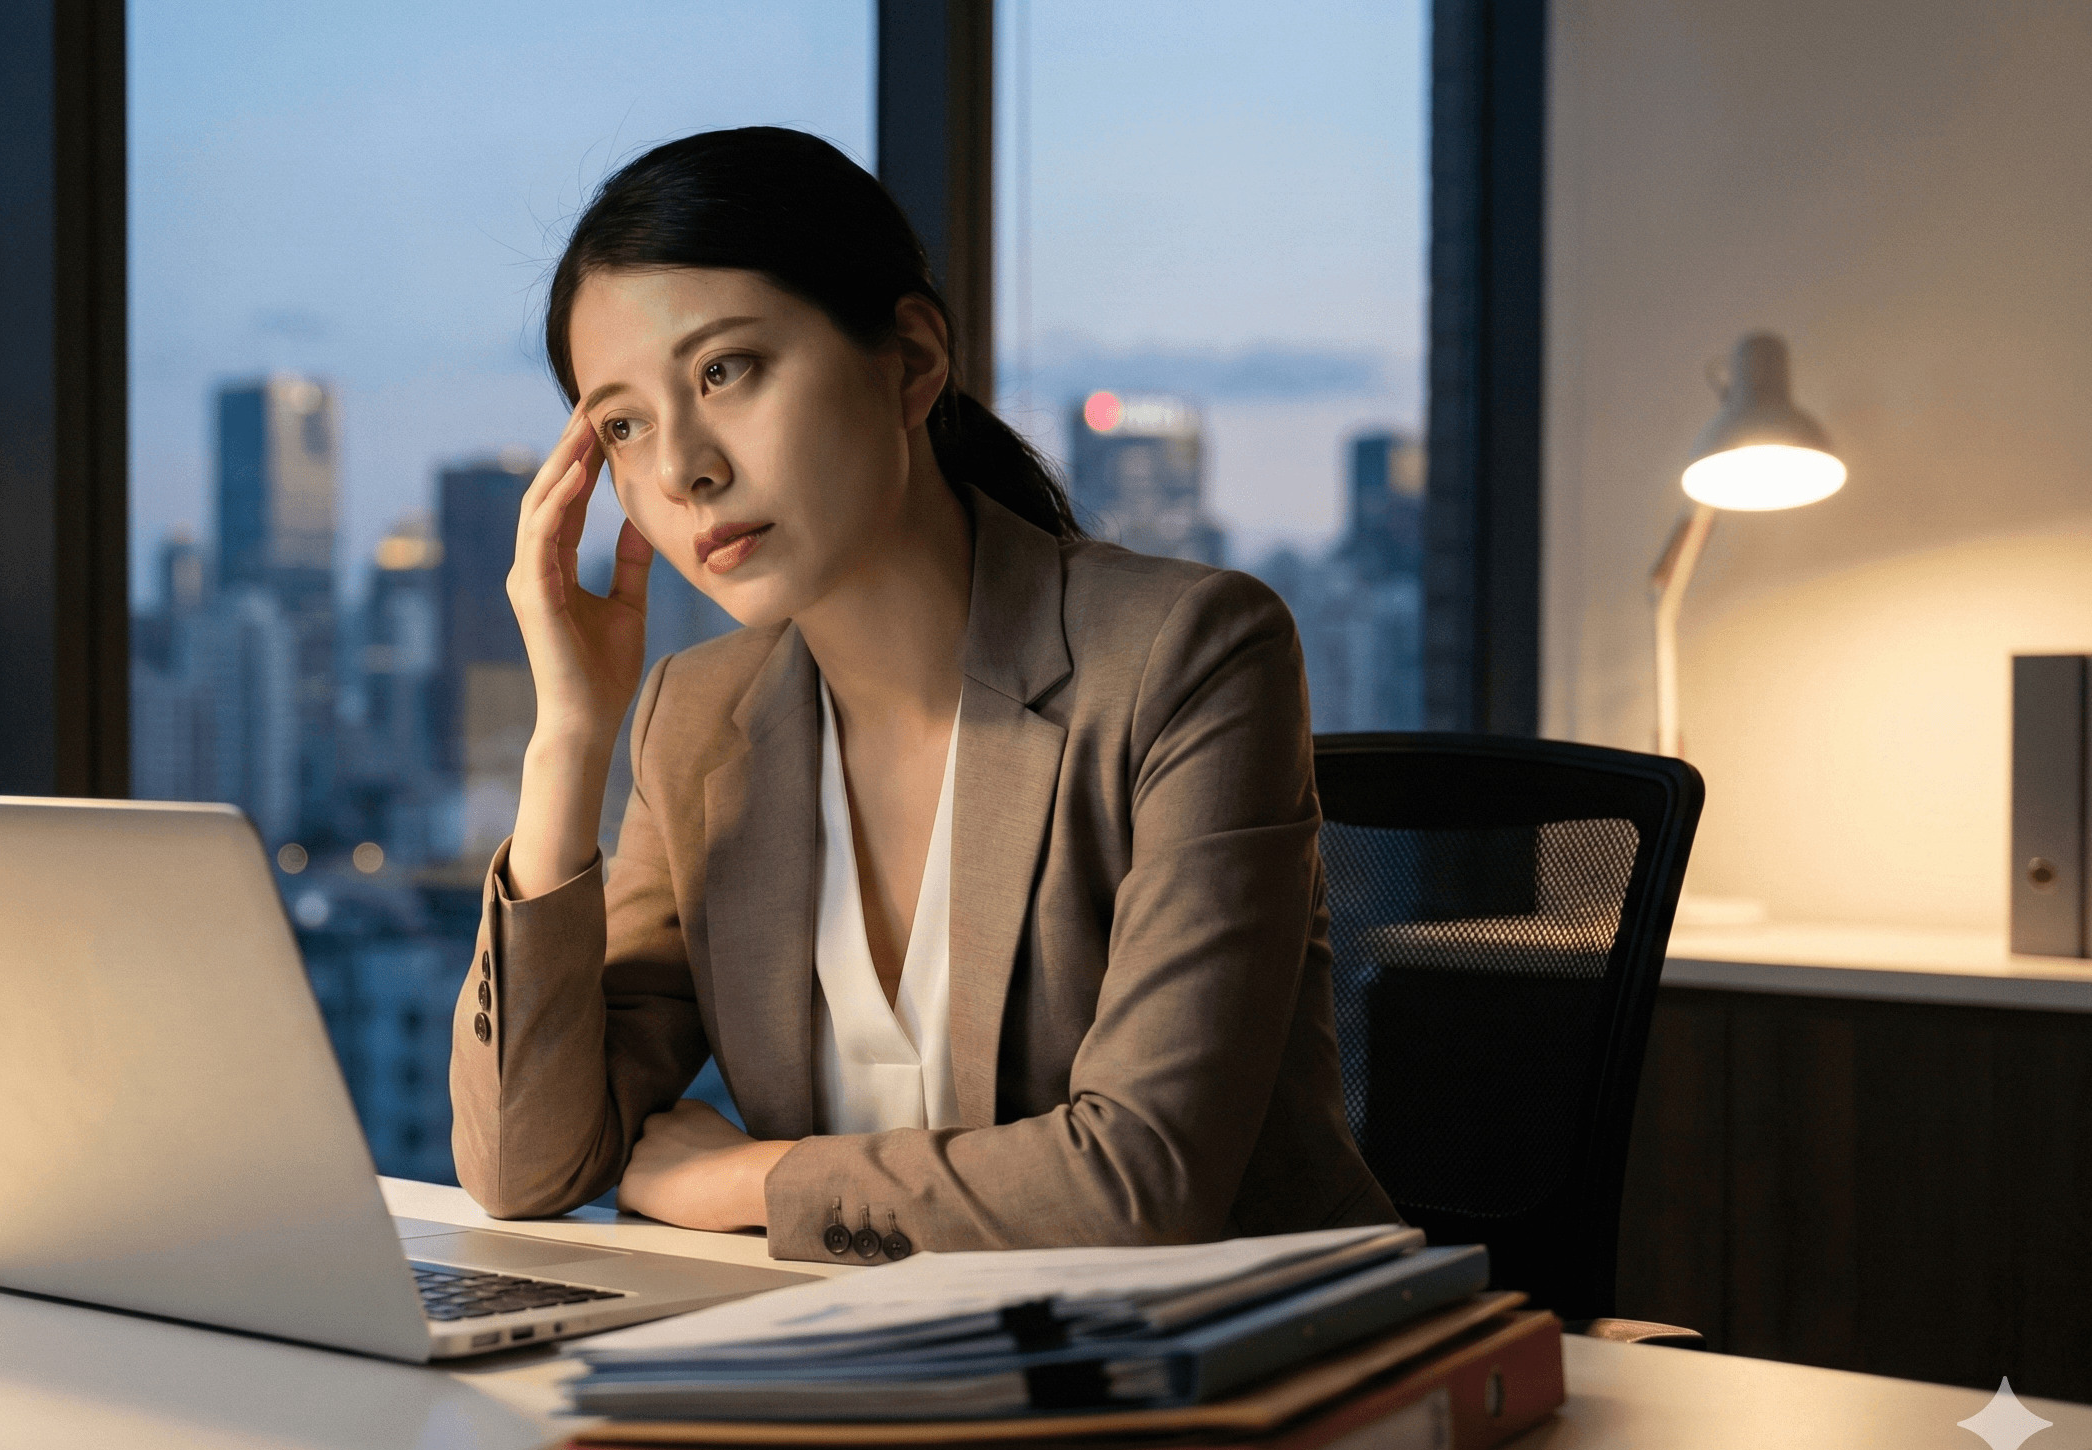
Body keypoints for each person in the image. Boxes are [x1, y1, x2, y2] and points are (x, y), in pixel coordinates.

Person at [449, 126, 1395, 1265]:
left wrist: (755, 1179)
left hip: (1228, 1377)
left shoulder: (1181, 655)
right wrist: (567, 738)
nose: (680, 468)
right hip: (872, 1380)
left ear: (909, 359)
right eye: (622, 423)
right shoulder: (691, 721)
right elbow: (524, 1168)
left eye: (724, 371)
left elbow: (1145, 1182)